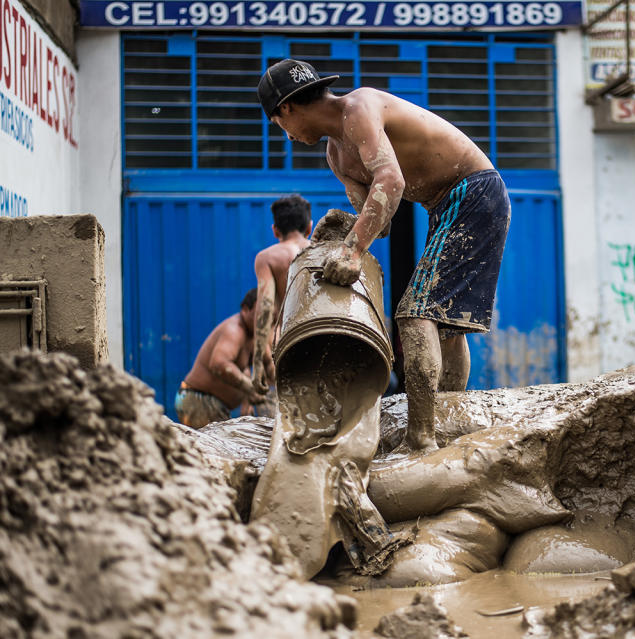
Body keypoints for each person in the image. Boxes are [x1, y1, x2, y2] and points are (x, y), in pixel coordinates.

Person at [257, 59, 510, 452]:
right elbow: (381, 217)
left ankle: (421, 439)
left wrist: (353, 250)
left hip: (474, 190)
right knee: (444, 324)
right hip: (446, 206)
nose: (287, 137)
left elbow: (391, 180)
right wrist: (341, 226)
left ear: (286, 109)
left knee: (415, 314)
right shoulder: (336, 155)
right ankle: (445, 417)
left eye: (279, 125)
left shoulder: (359, 108)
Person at [176, 289, 266, 428]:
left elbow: (244, 368)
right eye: (260, 313)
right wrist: (249, 388)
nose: (264, 319)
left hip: (210, 404)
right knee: (210, 448)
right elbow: (219, 364)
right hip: (197, 400)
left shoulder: (251, 336)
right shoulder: (234, 330)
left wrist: (247, 401)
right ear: (245, 309)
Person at [251, 194, 313, 394]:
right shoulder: (324, 252)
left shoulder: (268, 258)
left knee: (293, 414)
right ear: (309, 227)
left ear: (275, 230)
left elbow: (265, 308)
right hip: (325, 338)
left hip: (290, 345)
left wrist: (258, 361)